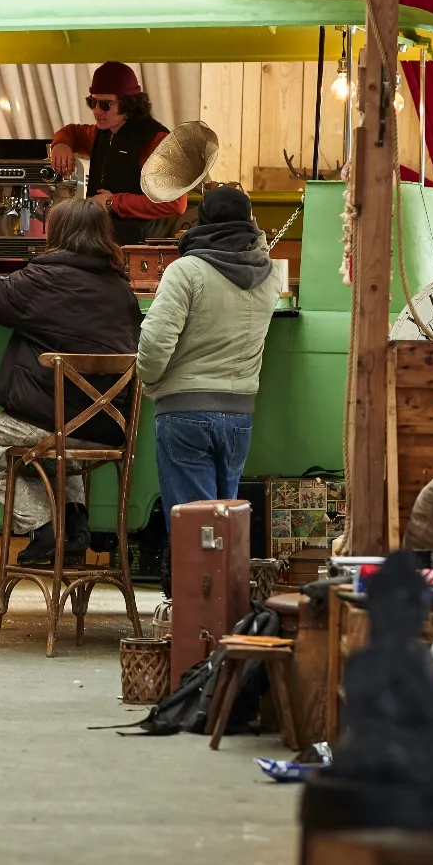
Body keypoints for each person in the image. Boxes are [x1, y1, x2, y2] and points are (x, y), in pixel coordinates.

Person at [0, 197, 143, 565]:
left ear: (57, 233)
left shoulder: (42, 280)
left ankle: (43, 526)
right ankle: (75, 523)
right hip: (108, 427)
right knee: (59, 446)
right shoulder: (119, 287)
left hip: (55, 424)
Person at [135, 185, 279, 583]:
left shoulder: (187, 271)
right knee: (221, 522)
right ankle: (219, 606)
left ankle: (193, 610)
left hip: (184, 412)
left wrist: (150, 382)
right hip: (240, 416)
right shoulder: (270, 274)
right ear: (249, 222)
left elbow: (154, 344)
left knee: (194, 527)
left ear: (202, 223)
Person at [48, 61, 187, 244]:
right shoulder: (102, 133)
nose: (96, 111)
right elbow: (71, 131)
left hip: (137, 247)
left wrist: (113, 202)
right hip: (98, 242)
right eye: (92, 102)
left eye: (105, 105)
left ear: (128, 104)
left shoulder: (156, 140)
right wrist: (60, 144)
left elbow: (175, 203)